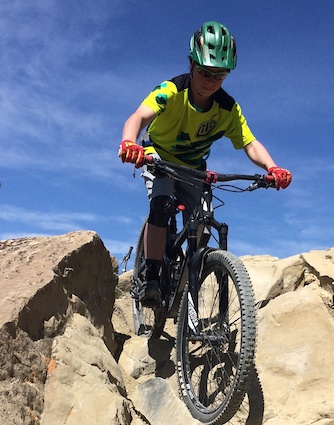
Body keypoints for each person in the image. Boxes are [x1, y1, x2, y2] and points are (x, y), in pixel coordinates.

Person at [119, 20, 292, 307]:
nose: (210, 80)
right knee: (161, 205)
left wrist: (272, 168)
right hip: (159, 157)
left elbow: (250, 143)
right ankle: (151, 274)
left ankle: (189, 281)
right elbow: (138, 117)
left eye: (220, 75)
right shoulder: (172, 90)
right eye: (204, 72)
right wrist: (129, 143)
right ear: (191, 64)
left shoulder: (227, 108)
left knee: (203, 224)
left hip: (193, 168)